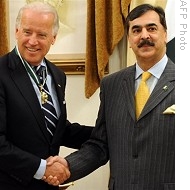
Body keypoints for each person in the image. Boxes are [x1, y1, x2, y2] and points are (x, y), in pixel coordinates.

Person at [45, 3, 175, 190]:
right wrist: (67, 166)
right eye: (136, 30)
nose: (144, 36)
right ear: (129, 40)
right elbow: (100, 144)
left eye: (152, 28)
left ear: (165, 34)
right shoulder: (111, 84)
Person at [0, 2, 93, 190]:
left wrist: (106, 133)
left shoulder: (57, 75)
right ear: (17, 31)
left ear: (53, 37)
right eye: (27, 32)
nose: (33, 41)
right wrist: (43, 169)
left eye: (42, 34)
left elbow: (55, 130)